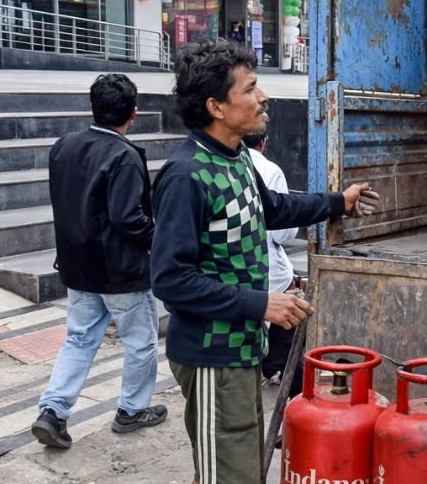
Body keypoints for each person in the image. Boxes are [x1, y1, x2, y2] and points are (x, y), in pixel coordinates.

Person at [151, 38, 380, 484]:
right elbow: (171, 280)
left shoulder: (237, 160)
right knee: (228, 475)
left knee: (237, 466)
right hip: (210, 356)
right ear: (217, 106)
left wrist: (339, 202)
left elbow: (273, 208)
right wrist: (264, 304)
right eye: (252, 88)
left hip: (242, 350)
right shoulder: (186, 175)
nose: (264, 96)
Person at [31, 74, 166, 449]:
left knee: (79, 339)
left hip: (77, 265)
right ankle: (132, 410)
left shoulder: (63, 146)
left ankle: (53, 412)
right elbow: (128, 219)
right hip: (120, 270)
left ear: (92, 107)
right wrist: (160, 238)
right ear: (133, 113)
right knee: (140, 342)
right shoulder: (124, 154)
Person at [240, 130, 302, 388]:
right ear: (264, 142)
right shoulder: (269, 170)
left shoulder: (223, 164)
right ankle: (275, 366)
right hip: (266, 269)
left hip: (239, 272)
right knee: (290, 298)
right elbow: (282, 232)